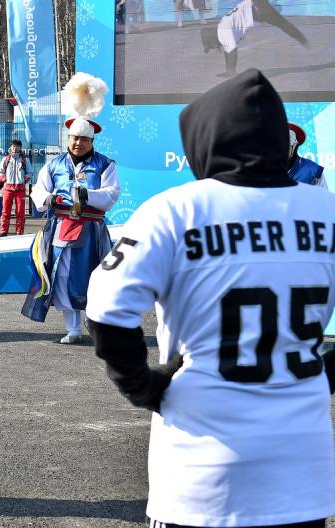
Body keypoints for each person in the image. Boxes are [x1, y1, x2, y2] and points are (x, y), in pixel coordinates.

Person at [86, 70, 335, 528]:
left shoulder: (175, 210)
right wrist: (325, 371)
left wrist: (143, 385)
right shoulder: (327, 209)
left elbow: (105, 307)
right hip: (303, 470)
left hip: (200, 470)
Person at [24, 82, 120, 344]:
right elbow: (37, 191)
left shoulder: (105, 164)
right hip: (61, 228)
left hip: (91, 230)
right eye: (74, 138)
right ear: (68, 138)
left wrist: (88, 195)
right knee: (62, 276)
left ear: (92, 141)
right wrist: (49, 198)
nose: (78, 143)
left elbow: (112, 194)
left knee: (93, 275)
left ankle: (96, 322)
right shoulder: (54, 164)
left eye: (84, 139)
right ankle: (73, 328)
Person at [201, 0, 309, 77]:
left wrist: (232, 72)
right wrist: (229, 70)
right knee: (283, 24)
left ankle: (304, 41)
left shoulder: (223, 33)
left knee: (283, 24)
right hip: (255, 6)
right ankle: (303, 40)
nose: (214, 49)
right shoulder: (222, 28)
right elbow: (227, 49)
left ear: (214, 40)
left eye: (211, 46)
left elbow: (232, 51)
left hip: (257, 10)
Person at [0, 139, 31, 236]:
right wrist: (4, 179)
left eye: (17, 146)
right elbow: (0, 171)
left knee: (20, 212)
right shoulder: (6, 159)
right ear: (11, 147)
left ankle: (19, 231)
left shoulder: (25, 160)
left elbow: (30, 172)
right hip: (8, 189)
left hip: (20, 189)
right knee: (5, 211)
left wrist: (24, 180)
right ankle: (3, 231)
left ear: (20, 147)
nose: (15, 148)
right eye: (13, 146)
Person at [287, 122, 327, 188]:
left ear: (294, 146)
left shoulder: (312, 171)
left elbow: (324, 197)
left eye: (286, 146)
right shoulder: (264, 170)